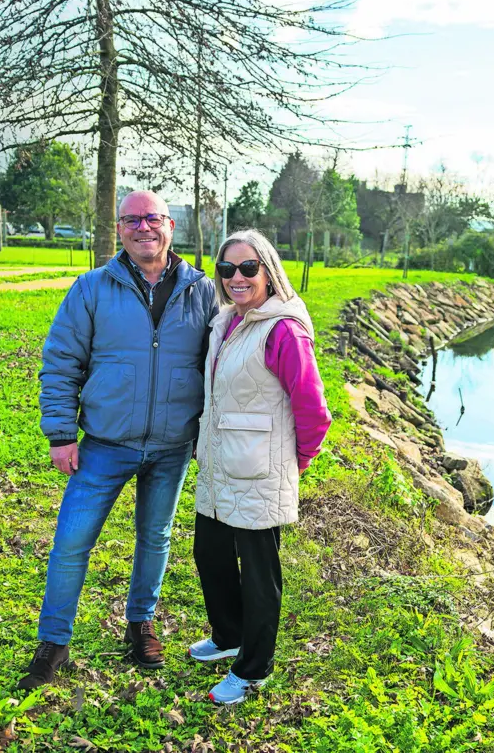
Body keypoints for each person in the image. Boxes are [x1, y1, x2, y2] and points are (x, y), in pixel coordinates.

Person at [19, 190, 217, 691]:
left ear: (171, 226)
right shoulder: (90, 289)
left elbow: (221, 366)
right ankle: (55, 641)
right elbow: (61, 363)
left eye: (152, 218)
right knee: (70, 543)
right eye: (131, 220)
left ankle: (140, 624)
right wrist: (62, 434)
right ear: (119, 229)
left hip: (173, 445)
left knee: (155, 537)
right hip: (104, 445)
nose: (142, 227)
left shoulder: (204, 291)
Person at [188, 229, 332, 705]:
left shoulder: (283, 330)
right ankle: (228, 635)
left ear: (268, 271)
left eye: (248, 268)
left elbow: (313, 411)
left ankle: (253, 669)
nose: (237, 278)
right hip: (218, 465)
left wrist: (295, 463)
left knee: (258, 576)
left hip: (259, 473)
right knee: (208, 555)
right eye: (227, 269)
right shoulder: (227, 320)